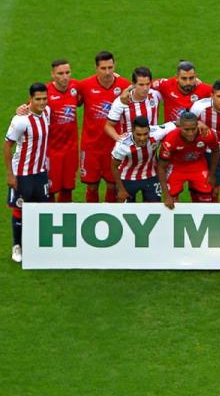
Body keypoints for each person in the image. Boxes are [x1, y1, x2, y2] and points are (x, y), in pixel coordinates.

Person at [4, 83, 51, 263]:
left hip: (40, 172)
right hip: (22, 173)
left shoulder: (47, 113)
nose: (41, 102)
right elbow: (7, 145)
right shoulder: (20, 120)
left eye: (44, 99)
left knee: (41, 209)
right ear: (30, 99)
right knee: (19, 209)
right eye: (37, 99)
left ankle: (36, 246)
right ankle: (17, 246)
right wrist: (10, 174)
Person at [77, 50, 131, 202]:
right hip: (91, 147)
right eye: (103, 68)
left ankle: (110, 218)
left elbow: (144, 88)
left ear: (115, 66)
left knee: (112, 186)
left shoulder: (124, 85)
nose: (107, 72)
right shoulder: (85, 86)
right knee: (92, 186)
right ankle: (91, 217)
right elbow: (68, 99)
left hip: (114, 145)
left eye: (110, 67)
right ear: (96, 68)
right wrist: (26, 107)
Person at [157, 112, 219, 209]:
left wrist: (212, 174)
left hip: (198, 165)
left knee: (206, 197)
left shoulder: (207, 134)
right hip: (176, 167)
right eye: (186, 129)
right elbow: (161, 167)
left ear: (197, 126)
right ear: (179, 127)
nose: (190, 133)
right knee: (171, 200)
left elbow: (216, 151)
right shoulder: (170, 139)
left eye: (193, 129)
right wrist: (166, 195)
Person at [110, 116, 177, 202]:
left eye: (145, 134)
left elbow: (177, 123)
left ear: (149, 130)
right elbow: (114, 166)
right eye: (139, 135)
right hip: (127, 179)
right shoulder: (122, 145)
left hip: (151, 176)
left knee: (153, 209)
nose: (142, 138)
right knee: (127, 212)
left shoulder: (157, 132)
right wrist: (121, 189)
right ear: (133, 131)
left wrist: (198, 123)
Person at [45, 59, 80, 202]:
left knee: (68, 188)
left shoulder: (76, 87)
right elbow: (31, 109)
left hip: (71, 150)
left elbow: (94, 84)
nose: (65, 76)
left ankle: (65, 221)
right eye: (60, 73)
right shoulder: (45, 93)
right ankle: (50, 220)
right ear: (53, 74)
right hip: (51, 151)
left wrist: (113, 76)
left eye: (67, 72)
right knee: (50, 190)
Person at [105, 66, 162, 141]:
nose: (145, 88)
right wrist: (119, 138)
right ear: (133, 84)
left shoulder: (155, 95)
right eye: (141, 85)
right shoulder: (122, 101)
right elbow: (108, 126)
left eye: (147, 84)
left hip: (152, 147)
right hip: (130, 149)